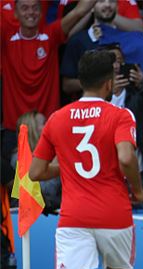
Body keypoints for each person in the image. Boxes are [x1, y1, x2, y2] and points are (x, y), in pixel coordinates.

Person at [29, 49, 143, 269]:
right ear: (109, 83)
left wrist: (68, 166)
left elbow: (35, 172)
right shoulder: (119, 115)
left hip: (73, 216)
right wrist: (137, 188)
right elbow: (126, 156)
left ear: (80, 81)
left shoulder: (57, 118)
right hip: (113, 214)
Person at [1, 0, 97, 155]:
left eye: (35, 8)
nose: (30, 12)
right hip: (15, 128)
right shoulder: (5, 37)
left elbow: (79, 11)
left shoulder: (51, 34)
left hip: (48, 126)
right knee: (15, 171)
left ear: (41, 13)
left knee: (52, 171)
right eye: (24, 8)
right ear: (15, 14)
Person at [105, 43, 143, 173]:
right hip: (109, 168)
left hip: (138, 167)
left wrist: (142, 85)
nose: (116, 66)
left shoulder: (136, 91)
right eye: (111, 62)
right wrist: (109, 94)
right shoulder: (97, 97)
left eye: (119, 61)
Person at [61, 0, 124, 97]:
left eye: (112, 1)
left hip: (125, 104)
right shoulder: (78, 40)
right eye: (101, 1)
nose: (107, 4)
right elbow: (67, 85)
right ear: (91, 7)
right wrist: (99, 83)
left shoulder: (128, 39)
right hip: (90, 104)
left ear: (117, 6)